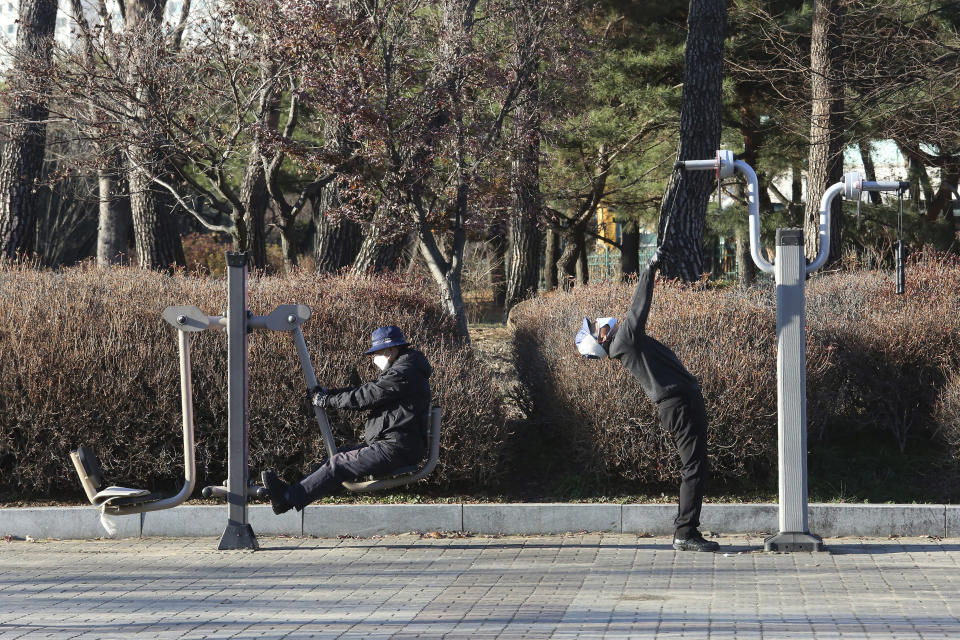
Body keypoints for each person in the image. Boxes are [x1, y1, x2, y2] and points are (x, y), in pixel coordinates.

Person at [575, 248, 719, 552]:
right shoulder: (624, 340)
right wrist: (649, 268)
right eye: (596, 327)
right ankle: (685, 534)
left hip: (679, 403)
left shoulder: (624, 344)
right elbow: (639, 305)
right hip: (679, 404)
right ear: (600, 340)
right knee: (693, 468)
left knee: (695, 467)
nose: (601, 321)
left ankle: (686, 531)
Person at [261, 325, 432, 514]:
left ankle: (285, 499)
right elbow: (367, 390)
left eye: (377, 353)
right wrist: (329, 394)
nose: (374, 359)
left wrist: (327, 400)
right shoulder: (404, 370)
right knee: (336, 456)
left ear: (390, 351)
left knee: (339, 463)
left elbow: (367, 395)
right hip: (395, 445)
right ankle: (289, 494)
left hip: (395, 449)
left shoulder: (403, 374)